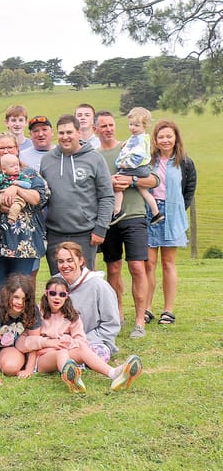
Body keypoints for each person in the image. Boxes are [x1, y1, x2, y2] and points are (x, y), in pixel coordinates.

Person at [95, 111, 158, 338]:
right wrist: (108, 183)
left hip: (134, 215)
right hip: (109, 218)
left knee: (137, 267)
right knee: (113, 268)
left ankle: (140, 320)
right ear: (95, 130)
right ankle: (117, 314)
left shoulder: (130, 146)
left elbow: (153, 180)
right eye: (103, 126)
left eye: (111, 125)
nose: (108, 129)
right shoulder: (94, 156)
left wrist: (131, 180)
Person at [0, 133, 48, 318]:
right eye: (1, 148)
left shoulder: (29, 173)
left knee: (21, 290)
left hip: (24, 244)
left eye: (10, 147)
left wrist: (17, 189)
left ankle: (20, 332)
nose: (6, 151)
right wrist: (0, 207)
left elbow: (41, 198)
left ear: (17, 150)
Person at [33, 276, 142, 394]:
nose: (57, 298)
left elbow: (81, 340)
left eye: (62, 295)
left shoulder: (71, 315)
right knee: (61, 352)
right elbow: (31, 341)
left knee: (82, 349)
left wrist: (68, 342)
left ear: (67, 296)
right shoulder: (38, 313)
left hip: (66, 350)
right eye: (53, 293)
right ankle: (72, 379)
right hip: (43, 357)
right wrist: (51, 345)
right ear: (46, 293)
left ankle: (114, 373)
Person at [39, 114, 114, 273]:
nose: (65, 137)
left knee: (84, 284)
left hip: (85, 235)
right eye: (61, 133)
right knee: (59, 286)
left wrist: (101, 228)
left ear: (79, 133)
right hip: (55, 235)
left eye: (69, 132)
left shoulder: (95, 159)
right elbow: (42, 197)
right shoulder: (47, 160)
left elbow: (106, 196)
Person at [144, 120, 197, 327]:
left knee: (168, 263)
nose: (165, 140)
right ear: (155, 140)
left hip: (172, 213)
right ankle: (146, 308)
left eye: (169, 136)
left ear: (175, 138)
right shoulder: (148, 161)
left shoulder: (184, 162)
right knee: (149, 264)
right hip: (149, 212)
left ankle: (168, 309)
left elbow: (189, 188)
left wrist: (177, 210)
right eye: (161, 137)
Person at [54, 241, 121, 361]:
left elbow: (111, 324)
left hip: (94, 341)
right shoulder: (55, 284)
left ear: (80, 261)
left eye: (70, 260)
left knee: (98, 353)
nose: (65, 265)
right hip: (61, 341)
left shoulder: (99, 286)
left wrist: (82, 340)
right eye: (61, 261)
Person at [111, 107, 161, 225]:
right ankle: (156, 213)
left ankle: (116, 212)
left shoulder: (140, 141)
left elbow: (138, 156)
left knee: (118, 182)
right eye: (131, 124)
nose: (132, 128)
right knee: (144, 191)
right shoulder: (140, 137)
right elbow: (132, 144)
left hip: (136, 168)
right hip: (142, 169)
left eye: (136, 125)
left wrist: (125, 165)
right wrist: (126, 143)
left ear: (145, 126)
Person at [0, 154, 33, 220]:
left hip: (18, 197)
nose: (16, 168)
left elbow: (28, 185)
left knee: (16, 207)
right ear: (4, 170)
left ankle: (11, 219)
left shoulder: (22, 176)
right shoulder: (1, 177)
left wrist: (18, 183)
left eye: (17, 165)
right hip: (3, 195)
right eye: (12, 166)